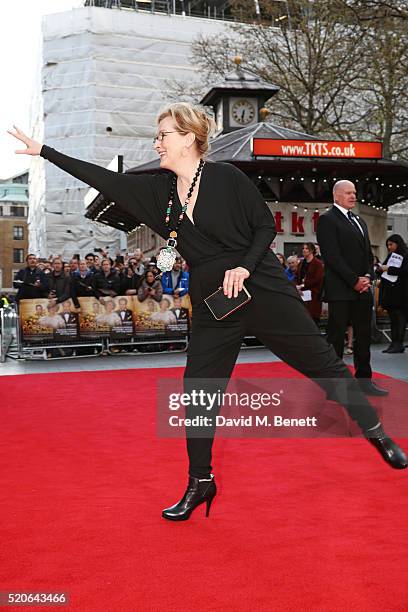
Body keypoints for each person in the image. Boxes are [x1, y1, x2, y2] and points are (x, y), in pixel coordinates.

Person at [9, 109, 407, 521]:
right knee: (198, 390)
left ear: (188, 138)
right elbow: (104, 179)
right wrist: (44, 152)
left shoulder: (227, 178)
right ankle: (201, 481)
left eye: (163, 135)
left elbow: (263, 229)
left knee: (323, 364)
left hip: (262, 288)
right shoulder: (158, 193)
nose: (157, 142)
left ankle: (376, 433)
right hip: (214, 302)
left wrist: (244, 267)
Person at [317, 180, 388, 397]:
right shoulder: (327, 220)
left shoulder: (360, 220)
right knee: (336, 338)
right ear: (336, 196)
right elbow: (332, 256)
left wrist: (367, 276)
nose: (353, 196)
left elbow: (368, 255)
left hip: (362, 289)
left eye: (354, 192)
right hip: (341, 290)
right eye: (348, 193)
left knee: (364, 336)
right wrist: (353, 280)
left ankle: (364, 381)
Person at [377, 234, 408, 353]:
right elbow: (383, 269)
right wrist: (379, 269)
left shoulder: (406, 255)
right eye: (387, 245)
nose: (389, 247)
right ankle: (393, 343)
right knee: (393, 319)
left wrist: (388, 269)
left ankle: (398, 343)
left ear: (398, 244)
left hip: (401, 292)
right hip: (390, 293)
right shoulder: (391, 256)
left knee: (400, 318)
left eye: (391, 244)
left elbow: (405, 271)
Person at [296, 242, 324, 326]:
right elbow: (297, 276)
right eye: (303, 248)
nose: (304, 250)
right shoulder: (301, 263)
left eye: (306, 248)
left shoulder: (318, 263)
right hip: (301, 293)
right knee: (302, 317)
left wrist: (303, 285)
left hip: (314, 294)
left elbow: (318, 279)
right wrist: (297, 287)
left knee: (312, 318)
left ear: (311, 251)